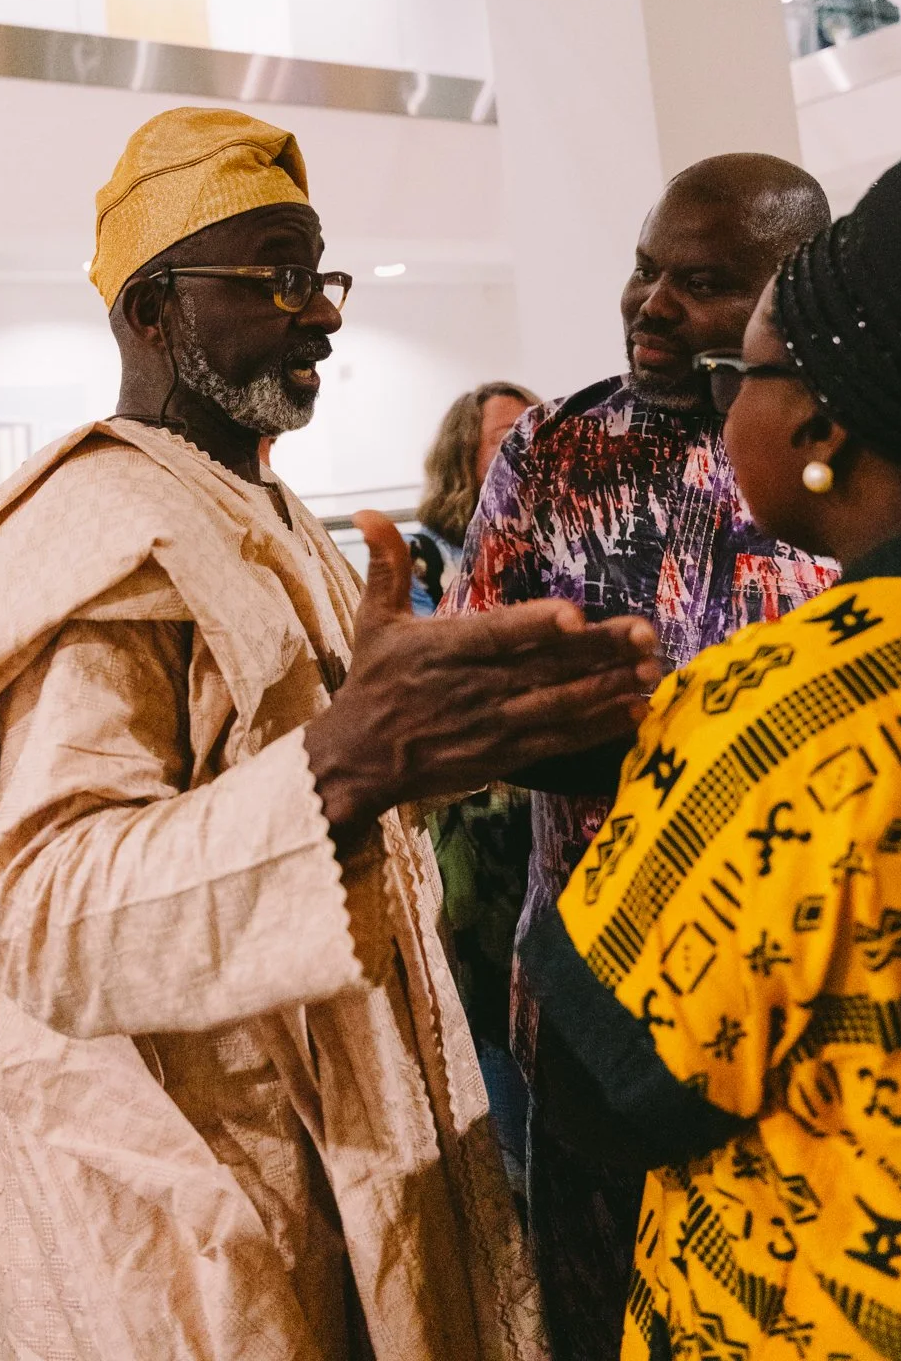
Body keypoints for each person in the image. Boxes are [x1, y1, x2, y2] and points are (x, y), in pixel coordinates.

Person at [0, 107, 662, 1361]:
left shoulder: (263, 503)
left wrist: (468, 739)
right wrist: (350, 760)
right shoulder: (100, 532)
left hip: (341, 1108)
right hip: (190, 1178)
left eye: (318, 274)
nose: (322, 311)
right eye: (275, 274)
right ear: (151, 309)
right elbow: (48, 918)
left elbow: (307, 786)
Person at [526, 117, 901, 1359]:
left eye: (746, 374)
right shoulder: (553, 448)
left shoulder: (784, 709)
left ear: (822, 427)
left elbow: (605, 1084)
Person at [447, 153, 842, 1361]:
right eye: (642, 267)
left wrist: (627, 722)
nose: (650, 304)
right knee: (596, 1318)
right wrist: (702, 745)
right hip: (592, 999)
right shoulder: (554, 453)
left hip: (813, 1015)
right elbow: (479, 707)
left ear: (793, 291)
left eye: (702, 281)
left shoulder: (857, 445)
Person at [407, 381, 540, 1203]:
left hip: (540, 818)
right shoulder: (425, 555)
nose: (526, 445)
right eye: (504, 436)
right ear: (464, 456)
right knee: (491, 1005)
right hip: (476, 832)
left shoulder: (559, 534)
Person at [408, 382, 539, 616]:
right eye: (510, 437)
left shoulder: (569, 547)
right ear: (462, 457)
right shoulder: (418, 557)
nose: (533, 448)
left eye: (541, 433)